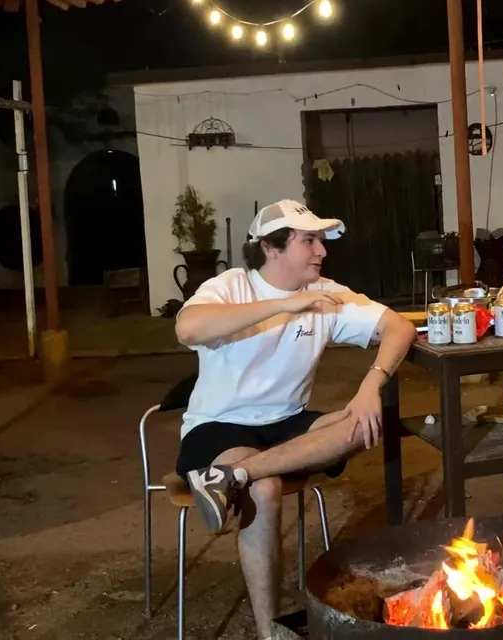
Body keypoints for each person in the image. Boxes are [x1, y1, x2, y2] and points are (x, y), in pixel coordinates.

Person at [175, 199, 417, 640]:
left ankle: (231, 477)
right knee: (266, 490)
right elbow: (188, 329)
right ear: (272, 248)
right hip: (218, 425)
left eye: (321, 240)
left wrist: (371, 384)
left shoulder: (326, 293)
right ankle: (270, 633)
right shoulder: (232, 285)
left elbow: (400, 327)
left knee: (362, 423)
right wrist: (283, 306)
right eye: (309, 241)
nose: (322, 250)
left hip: (288, 422)